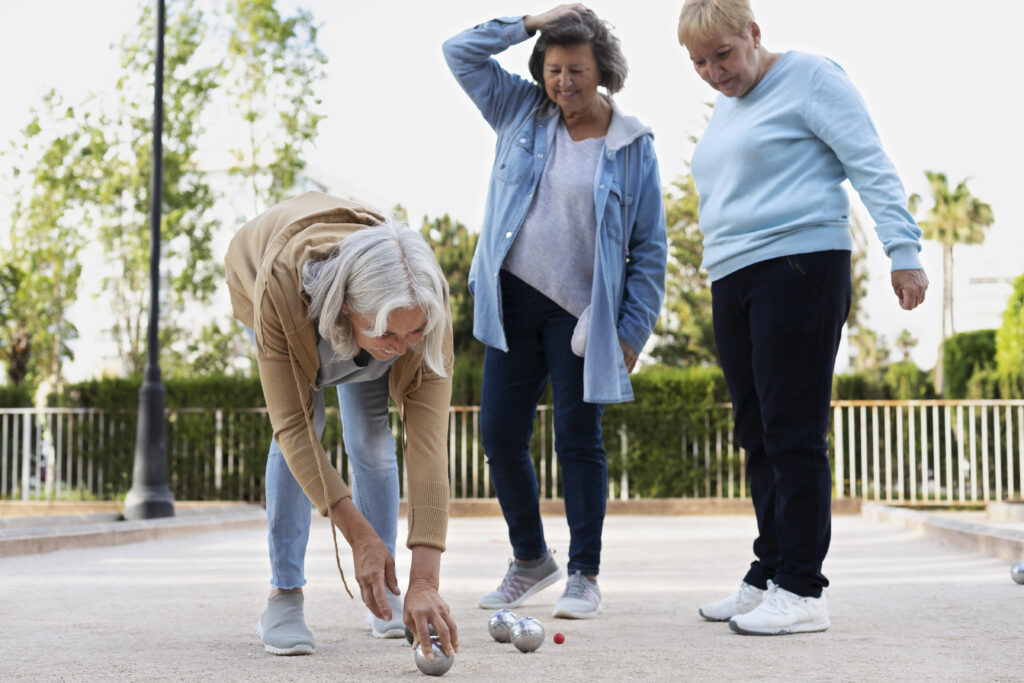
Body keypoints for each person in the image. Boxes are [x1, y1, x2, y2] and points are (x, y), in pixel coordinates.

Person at [676, 0, 929, 635]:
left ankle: (804, 589)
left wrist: (903, 251)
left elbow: (868, 161)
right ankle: (771, 569)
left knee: (792, 431)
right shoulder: (728, 107)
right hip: (733, 275)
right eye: (699, 63)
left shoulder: (811, 78)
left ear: (754, 34)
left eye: (722, 55)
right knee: (757, 433)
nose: (712, 72)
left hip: (799, 265)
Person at [443, 5, 667, 619]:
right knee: (498, 435)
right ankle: (529, 558)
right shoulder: (520, 111)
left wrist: (632, 329)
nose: (563, 82)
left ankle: (584, 574)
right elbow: (458, 51)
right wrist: (533, 21)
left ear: (604, 72)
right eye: (553, 68)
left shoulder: (632, 146)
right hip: (511, 298)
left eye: (577, 70)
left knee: (577, 439)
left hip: (582, 314)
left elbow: (649, 247)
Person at [224, 191, 459, 658]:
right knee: (305, 421)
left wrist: (424, 580)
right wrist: (358, 536)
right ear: (349, 308)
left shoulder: (422, 306)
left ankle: (387, 590)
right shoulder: (281, 291)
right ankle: (284, 596)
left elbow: (429, 446)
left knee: (372, 436)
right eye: (388, 334)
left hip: (365, 299)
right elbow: (293, 431)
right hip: (264, 273)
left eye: (414, 333)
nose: (401, 347)